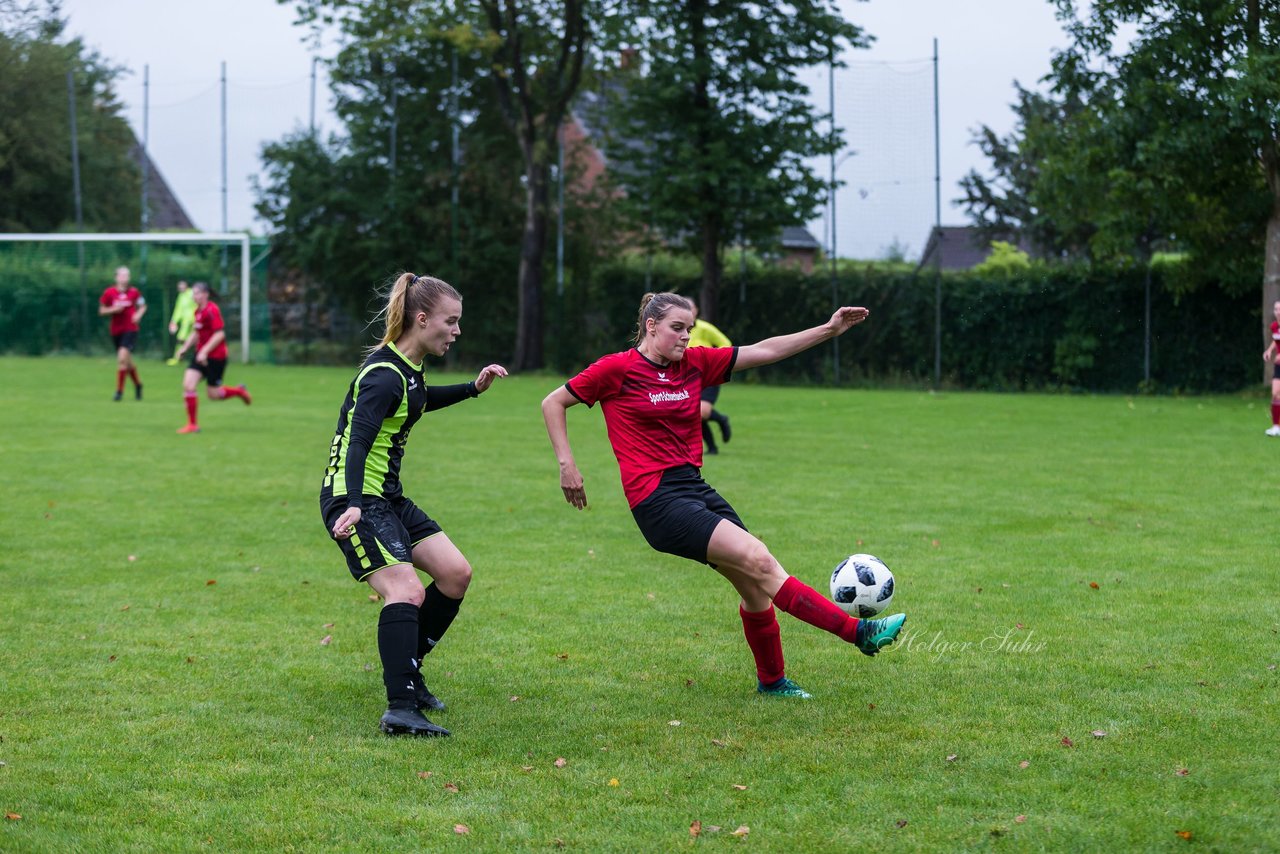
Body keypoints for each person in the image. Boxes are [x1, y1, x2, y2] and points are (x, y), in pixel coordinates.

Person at [542, 292, 906, 700]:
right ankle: (860, 633)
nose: (686, 338)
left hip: (694, 488)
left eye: (689, 329)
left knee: (754, 587)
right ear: (651, 326)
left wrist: (829, 329)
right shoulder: (617, 369)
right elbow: (554, 402)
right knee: (759, 559)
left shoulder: (694, 363)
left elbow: (764, 350)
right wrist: (566, 464)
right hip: (656, 500)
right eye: (677, 329)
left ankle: (772, 682)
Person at [321, 273, 508, 737]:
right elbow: (358, 438)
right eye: (451, 321)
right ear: (422, 320)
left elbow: (420, 399)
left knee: (454, 573)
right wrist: (350, 503)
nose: (457, 331)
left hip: (387, 497)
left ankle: (408, 671)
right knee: (406, 589)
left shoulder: (407, 370)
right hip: (357, 499)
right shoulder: (384, 376)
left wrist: (472, 388)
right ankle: (401, 708)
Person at [174, 282, 251, 434]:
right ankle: (192, 425)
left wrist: (205, 351)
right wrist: (184, 348)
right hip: (200, 355)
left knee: (213, 394)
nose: (194, 296)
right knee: (188, 385)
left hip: (216, 357)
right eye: (193, 294)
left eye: (197, 293)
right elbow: (196, 333)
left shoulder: (212, 310)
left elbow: (220, 334)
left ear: (205, 294)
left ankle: (239, 391)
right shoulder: (198, 312)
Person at [688, 302, 733, 455]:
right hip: (688, 378)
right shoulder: (678, 330)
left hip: (707, 376)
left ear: (696, 311)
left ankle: (721, 419)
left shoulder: (704, 329)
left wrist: (713, 361)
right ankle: (712, 448)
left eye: (690, 308)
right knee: (695, 413)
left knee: (702, 412)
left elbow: (725, 343)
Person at [98, 266, 146, 401]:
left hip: (131, 329)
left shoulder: (134, 292)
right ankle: (138, 384)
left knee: (121, 359)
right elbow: (101, 310)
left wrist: (138, 315)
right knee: (127, 362)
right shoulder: (109, 292)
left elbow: (143, 306)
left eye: (127, 275)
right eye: (122, 275)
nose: (125, 278)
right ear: (116, 277)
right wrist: (113, 309)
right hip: (116, 331)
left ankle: (119, 392)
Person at [167, 280, 196, 366]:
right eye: (179, 287)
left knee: (198, 339)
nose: (181, 288)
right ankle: (178, 358)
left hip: (195, 321)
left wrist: (197, 319)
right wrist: (174, 321)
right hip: (185, 322)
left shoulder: (192, 293)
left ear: (186, 285)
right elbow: (178, 310)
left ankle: (203, 357)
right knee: (181, 339)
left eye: (182, 286)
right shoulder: (181, 296)